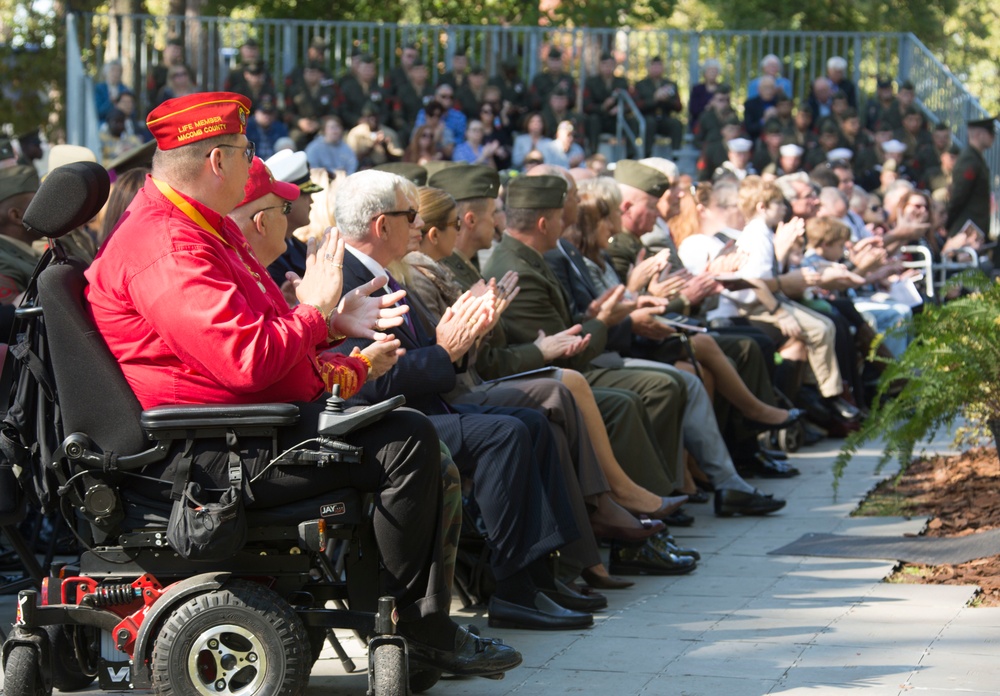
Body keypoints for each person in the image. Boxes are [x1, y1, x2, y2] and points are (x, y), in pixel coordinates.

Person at [84, 92, 521, 677]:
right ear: (218, 161)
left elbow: (253, 341)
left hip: (237, 431)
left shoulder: (190, 230)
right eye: (245, 152)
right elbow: (248, 361)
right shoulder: (167, 244)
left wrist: (328, 326)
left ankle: (414, 625)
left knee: (404, 432)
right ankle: (413, 630)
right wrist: (315, 315)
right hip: (209, 451)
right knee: (406, 440)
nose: (249, 165)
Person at [328, 169, 599, 629]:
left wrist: (460, 338)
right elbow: (364, 382)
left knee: (530, 423)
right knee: (505, 435)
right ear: (381, 225)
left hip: (418, 411)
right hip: (382, 425)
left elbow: (420, 356)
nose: (417, 225)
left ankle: (539, 576)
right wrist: (444, 350)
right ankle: (513, 589)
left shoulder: (379, 274)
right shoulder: (342, 280)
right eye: (409, 215)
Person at [945, 117, 994, 247]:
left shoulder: (976, 158)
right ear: (978, 134)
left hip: (975, 226)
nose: (993, 136)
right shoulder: (969, 160)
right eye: (990, 132)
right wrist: (948, 222)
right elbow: (959, 195)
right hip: (966, 227)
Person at [0, 165, 41, 302]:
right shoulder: (3, 262)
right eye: (38, 205)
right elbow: (16, 318)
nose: (46, 210)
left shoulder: (28, 250)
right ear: (16, 216)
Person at [633, 55, 684, 154]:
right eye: (654, 66)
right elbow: (637, 106)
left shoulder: (670, 84)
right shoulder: (641, 84)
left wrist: (667, 100)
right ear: (649, 67)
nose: (656, 69)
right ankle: (647, 154)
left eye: (659, 66)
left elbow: (678, 107)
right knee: (650, 123)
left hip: (665, 118)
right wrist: (654, 99)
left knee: (676, 123)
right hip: (648, 118)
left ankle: (676, 154)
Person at [582, 51, 630, 153]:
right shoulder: (591, 82)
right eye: (604, 64)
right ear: (599, 65)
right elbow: (586, 105)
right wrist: (602, 107)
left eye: (610, 64)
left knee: (631, 122)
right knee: (593, 120)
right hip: (598, 118)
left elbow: (630, 103)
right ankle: (593, 152)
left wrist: (621, 109)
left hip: (616, 119)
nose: (607, 67)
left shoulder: (621, 82)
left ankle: (631, 154)